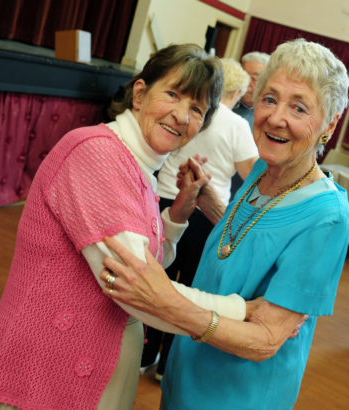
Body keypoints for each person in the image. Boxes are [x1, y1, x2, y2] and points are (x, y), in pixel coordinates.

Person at [0, 44, 251, 410]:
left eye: (196, 109)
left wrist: (175, 218)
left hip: (93, 361)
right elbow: (139, 288)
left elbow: (148, 263)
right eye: (172, 94)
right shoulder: (96, 154)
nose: (181, 115)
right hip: (44, 368)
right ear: (139, 94)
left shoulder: (139, 167)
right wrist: (243, 312)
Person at [99, 38, 349, 409]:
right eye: (269, 98)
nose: (276, 117)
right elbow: (250, 237)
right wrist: (207, 201)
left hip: (236, 395)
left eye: (298, 108)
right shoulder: (267, 167)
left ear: (330, 123)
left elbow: (265, 339)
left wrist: (166, 303)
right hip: (189, 374)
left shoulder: (326, 216)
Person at [141, 58, 259, 379]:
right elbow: (253, 178)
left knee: (157, 275)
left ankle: (144, 352)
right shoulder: (236, 125)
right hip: (206, 211)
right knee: (190, 286)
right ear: (235, 92)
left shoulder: (191, 114)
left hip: (165, 196)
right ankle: (167, 366)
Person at [232, 51, 270, 130]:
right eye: (243, 76)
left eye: (254, 79)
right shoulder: (224, 104)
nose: (246, 83)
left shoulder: (269, 117)